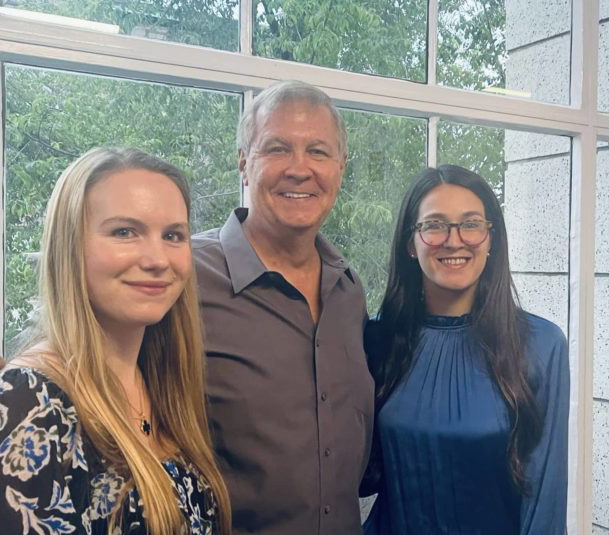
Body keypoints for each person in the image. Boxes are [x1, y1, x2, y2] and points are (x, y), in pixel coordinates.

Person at [0, 148, 231, 535]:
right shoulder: (24, 404)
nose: (158, 258)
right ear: (70, 247)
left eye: (173, 235)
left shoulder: (161, 388)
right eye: (125, 232)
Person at [193, 80, 374, 535]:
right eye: (277, 148)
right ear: (243, 163)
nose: (300, 169)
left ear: (340, 168)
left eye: (318, 151)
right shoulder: (184, 276)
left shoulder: (348, 292)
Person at [361, 165, 569, 535]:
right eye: (434, 225)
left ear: (491, 239)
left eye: (471, 224)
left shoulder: (540, 345)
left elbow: (545, 501)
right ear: (411, 242)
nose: (454, 240)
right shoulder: (377, 340)